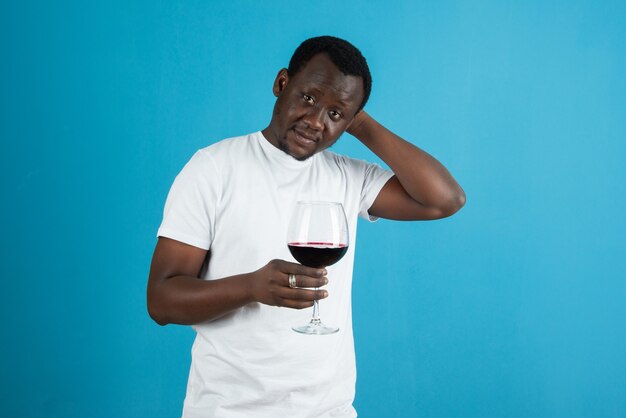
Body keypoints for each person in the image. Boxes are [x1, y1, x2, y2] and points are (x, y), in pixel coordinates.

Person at [147, 36, 465, 418]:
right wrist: (251, 287)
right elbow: (162, 301)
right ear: (282, 83)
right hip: (228, 410)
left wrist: (355, 117)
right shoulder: (213, 168)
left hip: (329, 411)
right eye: (309, 98)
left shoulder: (349, 177)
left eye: (335, 115)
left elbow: (444, 199)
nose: (316, 122)